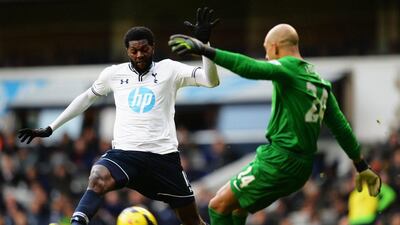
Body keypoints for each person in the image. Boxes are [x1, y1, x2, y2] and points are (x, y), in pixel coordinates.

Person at [17, 7, 219, 225]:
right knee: (97, 178)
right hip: (125, 153)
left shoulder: (169, 69)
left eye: (144, 49)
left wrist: (204, 47)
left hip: (163, 157)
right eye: (134, 51)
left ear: (152, 47)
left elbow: (211, 81)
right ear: (127, 51)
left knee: (192, 221)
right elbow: (85, 99)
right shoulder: (114, 74)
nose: (139, 55)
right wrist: (50, 128)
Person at [168, 24, 382, 225]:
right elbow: (341, 128)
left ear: (276, 47)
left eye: (267, 50)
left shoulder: (288, 67)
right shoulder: (320, 82)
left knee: (217, 206)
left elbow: (250, 68)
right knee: (236, 210)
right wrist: (361, 166)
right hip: (301, 167)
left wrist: (207, 50)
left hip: (280, 160)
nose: (267, 57)